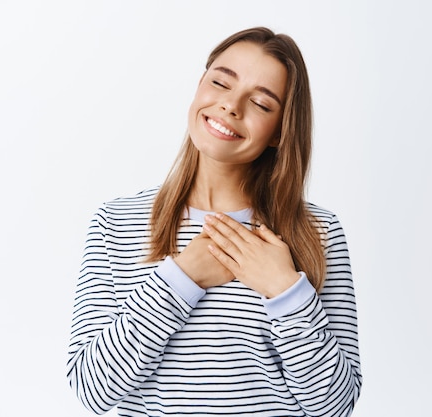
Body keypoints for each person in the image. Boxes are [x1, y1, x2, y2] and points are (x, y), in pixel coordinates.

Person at [66, 26, 362, 416]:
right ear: (200, 86)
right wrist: (182, 278)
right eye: (221, 82)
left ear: (279, 132)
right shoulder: (116, 223)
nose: (231, 106)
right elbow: (92, 390)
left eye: (261, 103)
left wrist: (285, 290)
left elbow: (335, 406)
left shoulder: (316, 233)